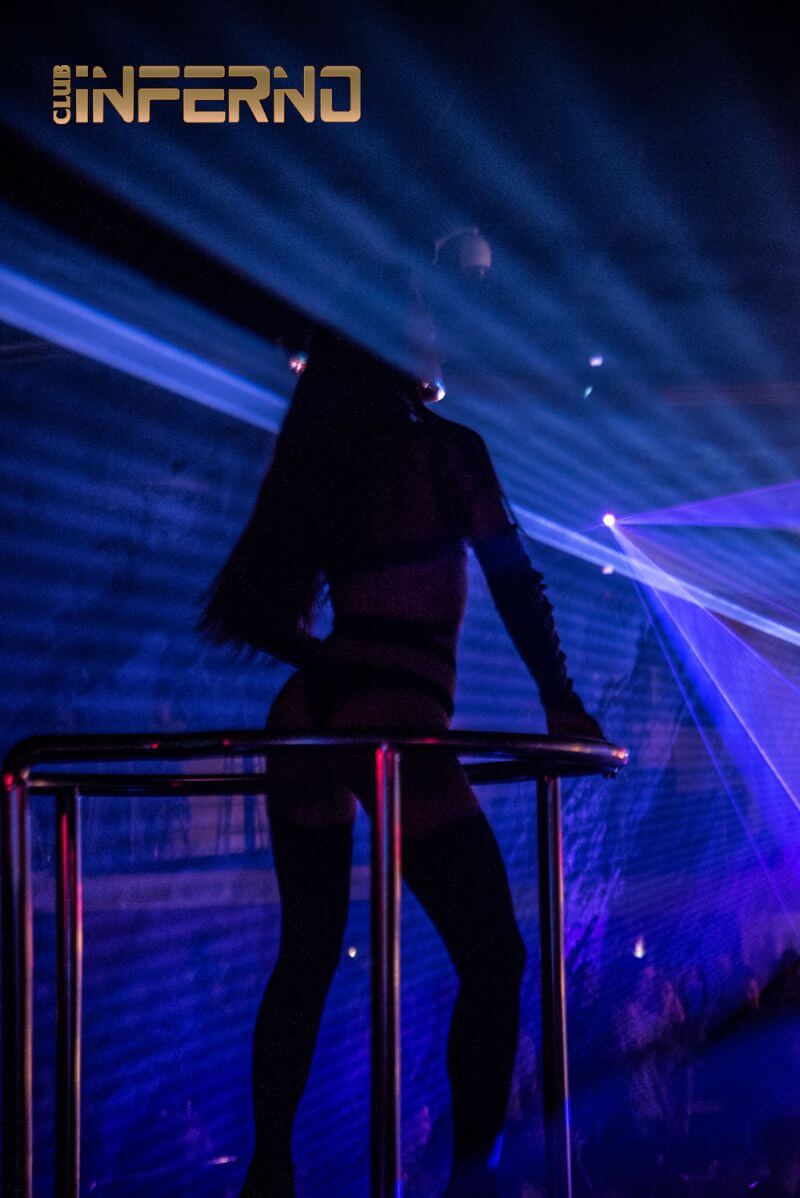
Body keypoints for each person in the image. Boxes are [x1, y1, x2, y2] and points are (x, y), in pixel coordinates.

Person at [199, 266, 604, 1196]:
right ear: (390, 338)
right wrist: (561, 699)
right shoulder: (446, 453)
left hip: (311, 712)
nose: (437, 336)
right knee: (495, 957)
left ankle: (269, 1170)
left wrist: (334, 665)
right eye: (422, 318)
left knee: (307, 952)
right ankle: (472, 1181)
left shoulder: (326, 456)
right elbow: (516, 583)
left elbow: (247, 608)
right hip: (393, 717)